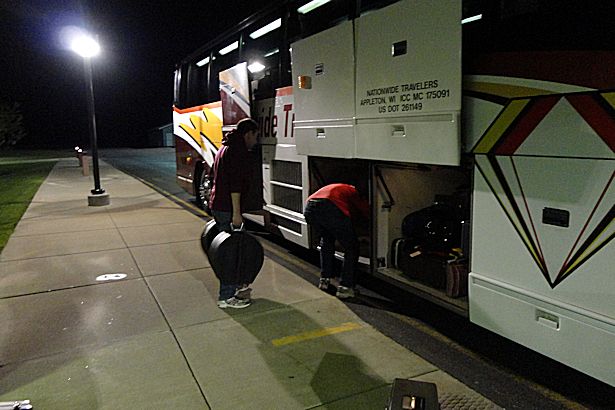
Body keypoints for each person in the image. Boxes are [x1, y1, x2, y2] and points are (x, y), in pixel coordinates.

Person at [209, 118, 259, 309]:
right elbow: (235, 186)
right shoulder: (238, 151)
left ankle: (233, 289)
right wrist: (236, 213)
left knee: (229, 250)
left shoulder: (225, 147)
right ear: (248, 134)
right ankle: (226, 296)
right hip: (227, 207)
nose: (256, 141)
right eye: (256, 136)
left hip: (218, 204)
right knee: (230, 253)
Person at [303, 183, 369, 299]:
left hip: (310, 208)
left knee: (327, 241)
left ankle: (324, 281)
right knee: (352, 247)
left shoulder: (341, 188)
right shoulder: (354, 192)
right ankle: (345, 287)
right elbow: (366, 212)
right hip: (330, 207)